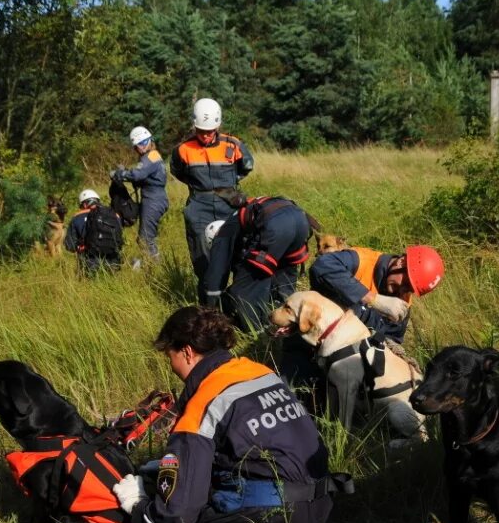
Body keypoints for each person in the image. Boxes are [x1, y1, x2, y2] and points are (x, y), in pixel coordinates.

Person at [111, 306, 335, 523]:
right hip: (316, 510)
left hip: (274, 521)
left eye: (170, 355)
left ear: (187, 352)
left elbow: (178, 513)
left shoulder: (203, 403)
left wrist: (140, 507)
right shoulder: (258, 372)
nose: (170, 364)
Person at [170, 99, 254, 299]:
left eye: (210, 131)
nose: (206, 135)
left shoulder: (233, 145)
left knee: (238, 250)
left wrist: (227, 186)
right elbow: (178, 172)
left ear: (217, 126)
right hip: (199, 206)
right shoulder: (182, 149)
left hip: (229, 203)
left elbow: (247, 166)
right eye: (201, 131)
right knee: (203, 260)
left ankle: (235, 300)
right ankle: (209, 305)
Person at [204, 188, 316, 331]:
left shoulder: (223, 233)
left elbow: (217, 272)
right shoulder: (243, 220)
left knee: (246, 289)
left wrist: (210, 306)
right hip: (300, 219)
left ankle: (257, 334)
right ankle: (288, 324)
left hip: (276, 226)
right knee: (283, 280)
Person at [309, 244, 445, 343]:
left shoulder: (402, 305)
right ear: (401, 262)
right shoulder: (361, 261)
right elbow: (322, 265)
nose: (403, 290)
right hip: (311, 328)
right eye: (405, 283)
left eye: (410, 289)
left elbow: (391, 340)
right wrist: (372, 299)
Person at [111, 126, 168, 267]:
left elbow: (137, 174)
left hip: (154, 200)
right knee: (145, 238)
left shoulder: (151, 156)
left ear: (150, 141)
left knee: (145, 238)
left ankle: (155, 266)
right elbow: (140, 176)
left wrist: (119, 174)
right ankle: (150, 264)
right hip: (151, 198)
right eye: (137, 146)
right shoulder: (149, 157)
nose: (141, 147)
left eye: (143, 143)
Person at [63, 189, 123, 274]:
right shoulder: (114, 215)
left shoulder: (76, 217)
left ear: (84, 204)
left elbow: (70, 246)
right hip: (114, 262)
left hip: (90, 264)